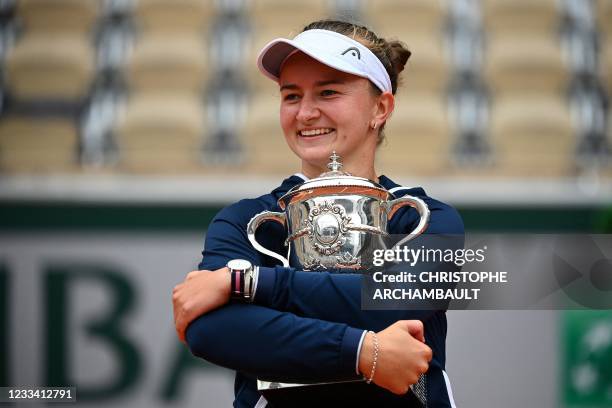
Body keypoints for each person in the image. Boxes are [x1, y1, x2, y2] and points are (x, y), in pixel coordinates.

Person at [173, 19, 464, 408]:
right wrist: (365, 352)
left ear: (381, 107)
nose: (306, 113)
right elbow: (212, 331)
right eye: (291, 96)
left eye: (328, 92)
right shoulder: (244, 221)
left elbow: (398, 302)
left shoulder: (424, 217)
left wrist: (249, 284)